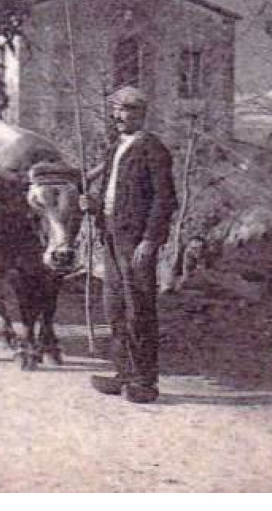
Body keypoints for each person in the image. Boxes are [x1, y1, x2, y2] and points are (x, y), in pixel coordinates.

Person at [82, 85, 177, 404]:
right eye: (115, 110)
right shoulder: (115, 148)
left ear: (141, 113)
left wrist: (150, 241)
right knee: (115, 305)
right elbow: (113, 194)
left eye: (125, 110)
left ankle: (145, 380)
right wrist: (91, 204)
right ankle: (123, 372)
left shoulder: (153, 149)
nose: (117, 116)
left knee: (139, 307)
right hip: (110, 234)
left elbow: (165, 200)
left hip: (135, 240)